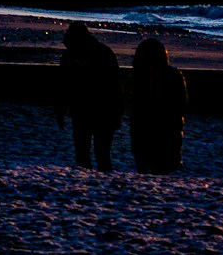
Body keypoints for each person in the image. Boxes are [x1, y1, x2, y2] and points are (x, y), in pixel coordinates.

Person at [57, 18, 122, 169]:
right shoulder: (103, 53)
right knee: (96, 154)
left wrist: (60, 110)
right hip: (93, 111)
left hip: (93, 111)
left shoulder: (71, 56)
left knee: (92, 154)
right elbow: (116, 86)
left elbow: (63, 85)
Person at [129, 34, 187, 174]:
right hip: (165, 130)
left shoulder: (138, 76)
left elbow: (134, 104)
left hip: (144, 129)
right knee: (161, 168)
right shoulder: (173, 75)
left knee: (144, 166)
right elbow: (182, 103)